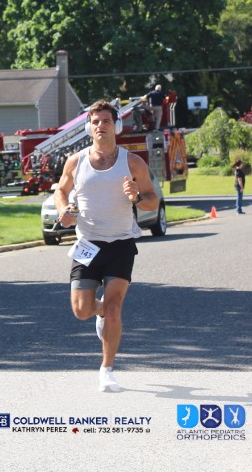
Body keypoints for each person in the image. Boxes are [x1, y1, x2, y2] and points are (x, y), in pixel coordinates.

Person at [54, 100, 160, 392]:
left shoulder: (133, 163)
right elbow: (61, 190)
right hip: (87, 244)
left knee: (114, 308)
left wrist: (137, 197)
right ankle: (99, 312)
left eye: (106, 121)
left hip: (120, 245)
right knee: (81, 310)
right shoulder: (75, 161)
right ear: (89, 127)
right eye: (96, 121)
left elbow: (153, 200)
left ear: (117, 126)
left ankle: (107, 370)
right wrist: (64, 210)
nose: (101, 126)